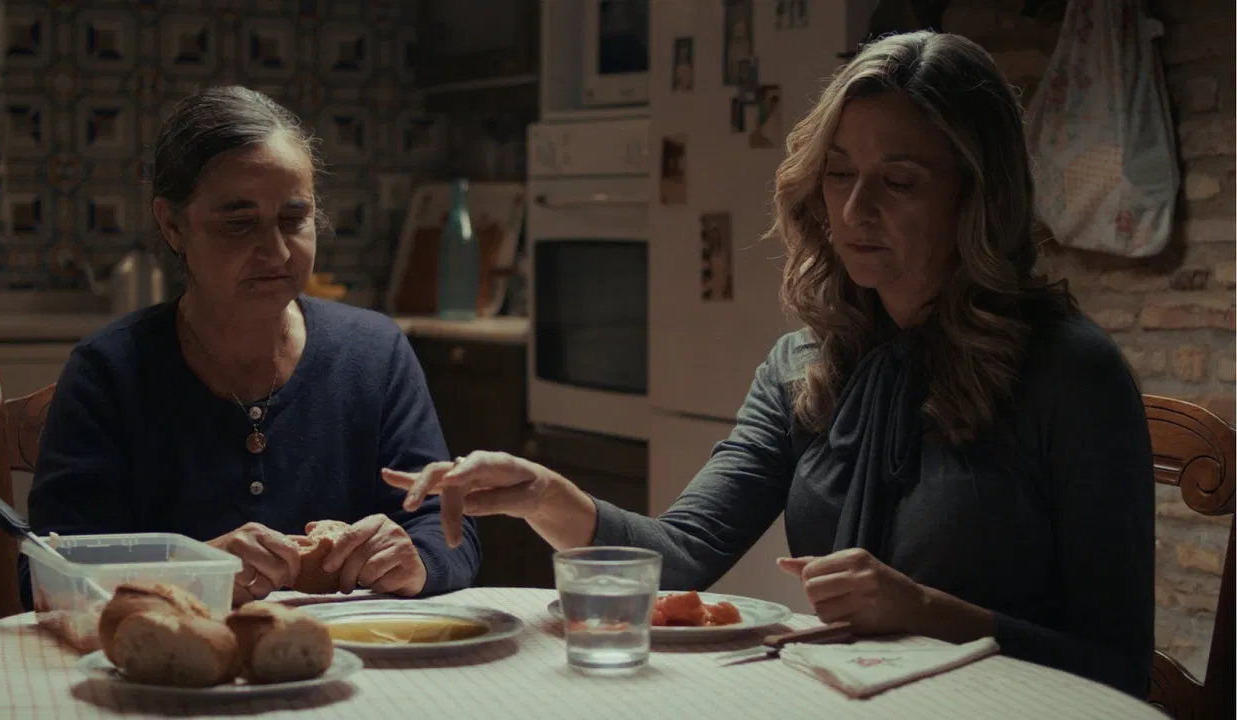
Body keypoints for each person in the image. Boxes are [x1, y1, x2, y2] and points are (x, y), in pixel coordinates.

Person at [382, 32, 1154, 697]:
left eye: (899, 181)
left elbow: (1120, 671)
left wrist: (928, 612)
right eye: (840, 173)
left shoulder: (1071, 375)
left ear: (979, 196)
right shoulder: (805, 365)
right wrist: (542, 495)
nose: (855, 210)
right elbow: (681, 557)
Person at [25, 86, 480, 608]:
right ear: (172, 226)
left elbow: (448, 530)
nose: (277, 251)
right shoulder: (108, 372)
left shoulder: (376, 354)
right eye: (239, 224)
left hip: (350, 654)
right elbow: (47, 575)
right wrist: (197, 573)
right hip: (171, 656)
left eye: (294, 219)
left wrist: (415, 557)